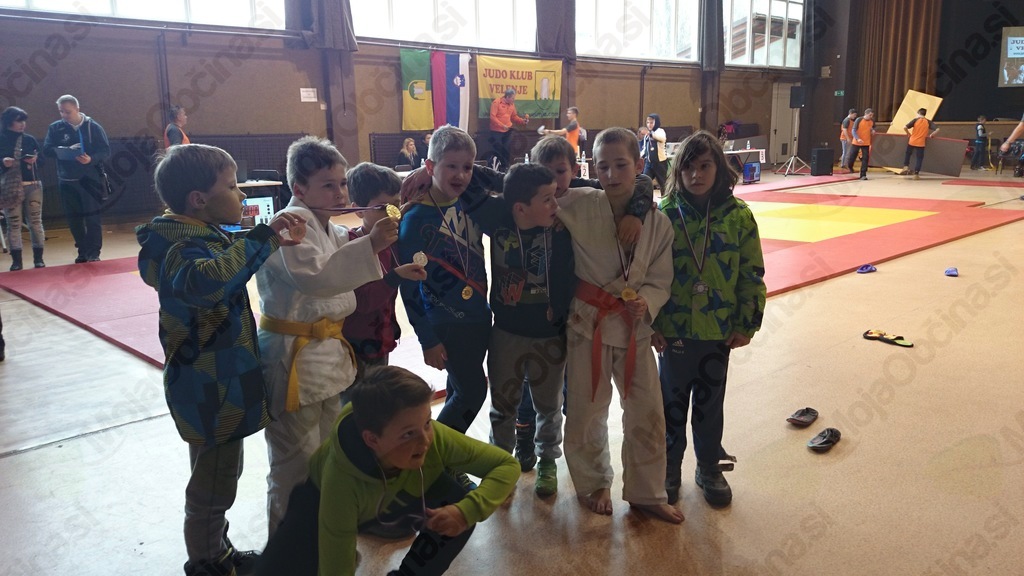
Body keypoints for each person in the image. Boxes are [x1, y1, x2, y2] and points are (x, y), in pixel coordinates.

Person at [136, 143, 304, 576]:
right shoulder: (182, 249)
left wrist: (261, 239)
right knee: (214, 483)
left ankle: (217, 551)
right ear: (198, 199)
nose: (242, 195)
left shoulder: (193, 237)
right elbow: (210, 282)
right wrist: (264, 238)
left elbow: (223, 258)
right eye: (232, 187)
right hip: (209, 386)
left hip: (218, 382)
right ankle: (207, 562)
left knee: (217, 473)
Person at [255, 136, 424, 537]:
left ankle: (325, 537)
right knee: (295, 463)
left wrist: (375, 247)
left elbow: (344, 277)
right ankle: (286, 551)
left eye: (342, 183)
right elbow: (318, 279)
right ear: (299, 188)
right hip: (294, 357)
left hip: (327, 356)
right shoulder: (288, 225)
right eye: (328, 185)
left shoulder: (328, 229)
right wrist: (371, 244)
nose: (340, 193)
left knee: (328, 456)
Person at [255, 365, 520, 576]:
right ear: (372, 439)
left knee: (456, 508)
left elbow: (506, 465)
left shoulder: (433, 438)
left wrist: (466, 511)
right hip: (321, 500)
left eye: (427, 422)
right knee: (276, 570)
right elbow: (336, 567)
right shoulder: (340, 481)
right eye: (408, 434)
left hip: (399, 489)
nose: (425, 441)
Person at [554, 127, 682, 523]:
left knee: (647, 411)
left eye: (621, 165)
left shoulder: (658, 223)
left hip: (633, 326)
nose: (611, 174)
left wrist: (650, 301)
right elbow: (527, 192)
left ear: (639, 165)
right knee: (586, 410)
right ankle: (594, 481)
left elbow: (661, 277)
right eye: (603, 166)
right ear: (592, 168)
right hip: (588, 324)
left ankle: (647, 491)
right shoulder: (578, 202)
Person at [652, 130, 766, 508]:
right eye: (688, 168)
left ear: (719, 168)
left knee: (709, 404)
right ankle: (669, 467)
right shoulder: (664, 215)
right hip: (674, 329)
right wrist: (650, 323)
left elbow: (751, 272)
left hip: (718, 330)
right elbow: (645, 273)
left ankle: (708, 467)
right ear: (677, 170)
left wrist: (747, 322)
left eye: (705, 166)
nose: (696, 175)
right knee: (670, 405)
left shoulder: (739, 217)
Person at [399, 125, 491, 439]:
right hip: (446, 323)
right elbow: (408, 287)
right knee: (473, 392)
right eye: (451, 166)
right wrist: (427, 338)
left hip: (479, 316)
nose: (460, 175)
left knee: (458, 390)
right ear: (430, 167)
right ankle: (434, 454)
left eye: (467, 167)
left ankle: (448, 457)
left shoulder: (471, 203)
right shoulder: (414, 219)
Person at [343, 162, 422, 369]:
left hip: (382, 336)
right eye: (381, 208)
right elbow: (363, 302)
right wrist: (396, 276)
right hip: (354, 344)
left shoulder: (393, 240)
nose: (391, 213)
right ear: (358, 210)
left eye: (396, 205)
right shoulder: (352, 244)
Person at [42, 94, 110, 263]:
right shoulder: (55, 128)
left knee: (92, 217)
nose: (64, 115)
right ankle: (82, 250)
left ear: (77, 109)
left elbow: (105, 151)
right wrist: (62, 150)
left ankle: (94, 252)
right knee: (74, 219)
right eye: (61, 111)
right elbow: (47, 150)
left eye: (68, 112)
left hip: (89, 180)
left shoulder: (93, 127)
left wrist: (91, 159)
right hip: (66, 180)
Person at [0, 106, 45, 270]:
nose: (22, 124)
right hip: (10, 187)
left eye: (24, 121)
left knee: (35, 222)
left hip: (32, 184)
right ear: (8, 122)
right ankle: (16, 261)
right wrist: (3, 163)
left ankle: (38, 259)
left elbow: (42, 161)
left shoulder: (29, 139)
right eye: (19, 121)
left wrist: (35, 160)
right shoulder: (1, 139)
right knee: (14, 224)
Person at [489, 88, 529, 170]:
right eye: (512, 98)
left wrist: (522, 121)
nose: (514, 100)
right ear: (507, 97)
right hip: (496, 131)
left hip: (508, 131)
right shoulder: (497, 102)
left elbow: (514, 117)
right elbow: (492, 117)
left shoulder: (512, 105)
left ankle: (506, 168)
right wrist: (502, 125)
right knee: (498, 150)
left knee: (507, 150)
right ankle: (496, 168)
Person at [899, 108, 939, 179]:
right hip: (921, 143)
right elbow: (937, 129)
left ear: (918, 113)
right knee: (919, 158)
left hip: (912, 141)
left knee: (908, 154)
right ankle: (916, 174)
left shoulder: (915, 120)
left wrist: (908, 133)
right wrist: (932, 135)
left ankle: (905, 167)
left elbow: (904, 127)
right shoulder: (928, 122)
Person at [639, 113, 668, 191]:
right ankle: (646, 197)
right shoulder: (647, 136)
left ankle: (666, 198)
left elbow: (661, 138)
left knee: (663, 183)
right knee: (644, 181)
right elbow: (645, 149)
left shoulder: (660, 131)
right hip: (649, 163)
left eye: (651, 122)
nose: (649, 125)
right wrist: (638, 156)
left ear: (656, 122)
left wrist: (650, 134)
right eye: (647, 123)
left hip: (660, 163)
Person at [850, 108, 875, 180]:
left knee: (865, 158)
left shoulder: (872, 121)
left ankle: (863, 174)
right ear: (866, 114)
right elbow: (853, 130)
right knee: (852, 156)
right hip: (856, 142)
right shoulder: (859, 120)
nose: (871, 117)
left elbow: (871, 128)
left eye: (872, 115)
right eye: (870, 115)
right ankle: (850, 166)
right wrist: (857, 138)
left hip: (866, 142)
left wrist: (872, 130)